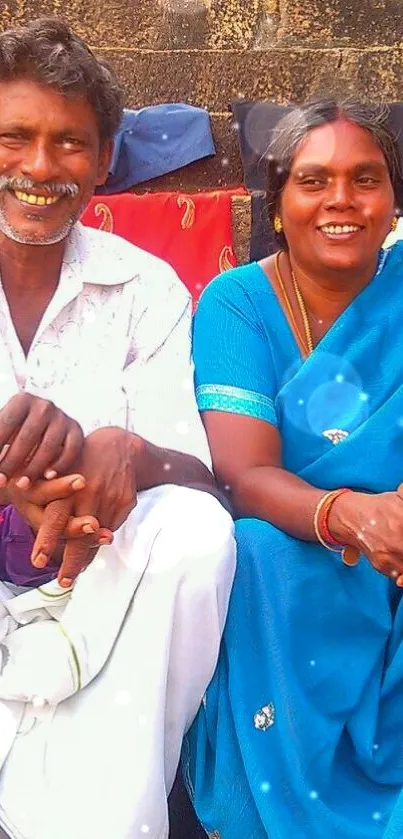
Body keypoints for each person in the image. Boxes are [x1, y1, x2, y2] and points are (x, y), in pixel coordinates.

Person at [0, 16, 236, 839]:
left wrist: (128, 451)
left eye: (69, 143)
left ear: (104, 161)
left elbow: (207, 477)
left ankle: (105, 808)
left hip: (93, 585)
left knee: (198, 532)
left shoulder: (147, 286)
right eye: (15, 137)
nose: (38, 166)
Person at [185, 100, 403, 839]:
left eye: (364, 179)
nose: (340, 199)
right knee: (256, 550)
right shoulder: (238, 302)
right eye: (314, 181)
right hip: (301, 537)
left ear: (392, 199)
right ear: (276, 203)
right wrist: (355, 515)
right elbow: (243, 473)